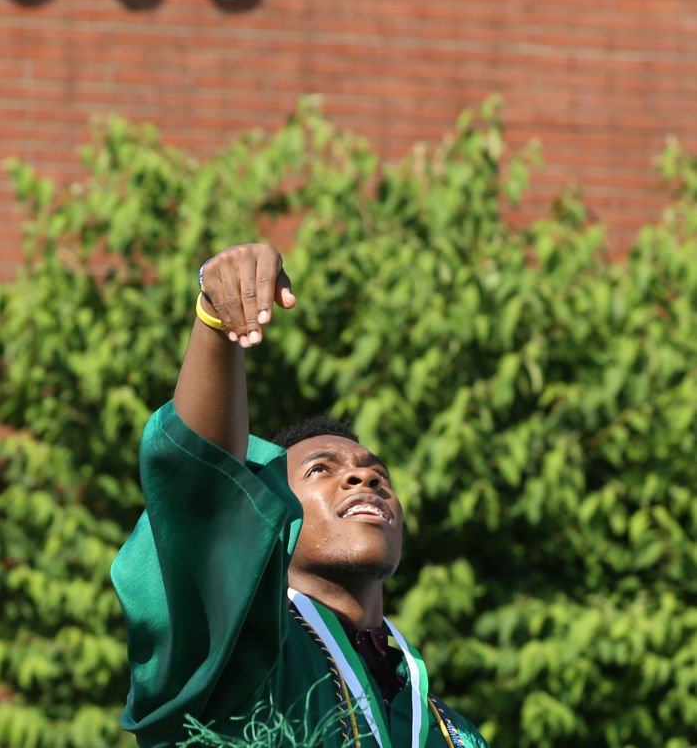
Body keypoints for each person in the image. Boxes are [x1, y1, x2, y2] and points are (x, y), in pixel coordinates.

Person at [112, 243, 490, 748]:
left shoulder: (453, 731)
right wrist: (215, 319)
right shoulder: (239, 655)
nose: (365, 479)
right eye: (320, 470)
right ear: (267, 519)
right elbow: (203, 487)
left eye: (378, 474)